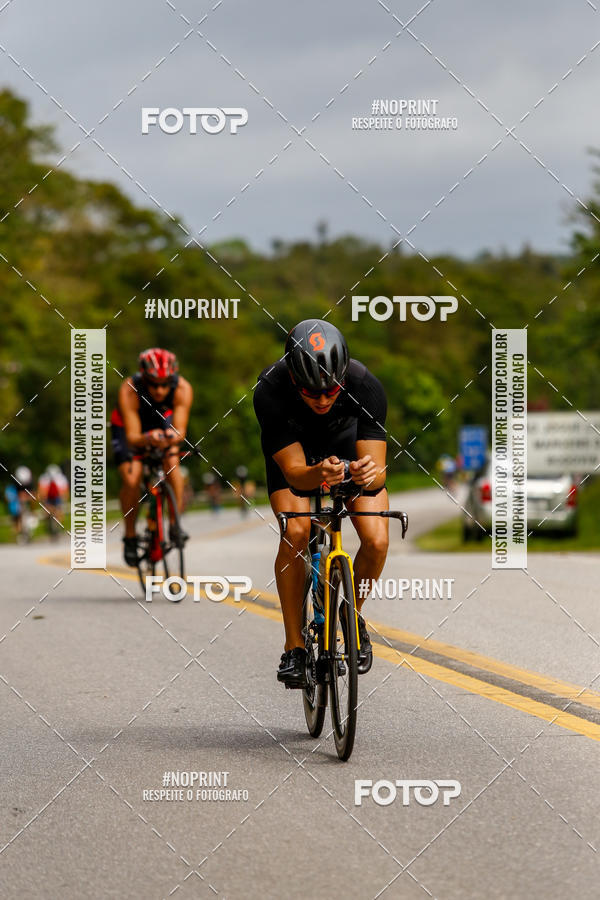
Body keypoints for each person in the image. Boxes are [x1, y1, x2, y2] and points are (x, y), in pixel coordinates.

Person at [253, 319, 389, 688]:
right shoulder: (271, 389)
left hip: (346, 449)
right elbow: (296, 474)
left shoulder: (365, 385)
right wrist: (320, 474)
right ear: (294, 380)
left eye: (331, 391)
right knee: (295, 531)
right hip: (295, 459)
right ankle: (294, 646)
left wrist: (363, 474)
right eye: (312, 393)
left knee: (376, 539)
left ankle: (351, 615)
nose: (324, 400)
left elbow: (378, 476)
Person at [110, 349, 193, 566]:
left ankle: (175, 525)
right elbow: (133, 437)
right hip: (130, 428)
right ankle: (129, 536)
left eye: (165, 383)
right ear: (144, 378)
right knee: (131, 478)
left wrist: (168, 438)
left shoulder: (183, 388)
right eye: (154, 384)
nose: (160, 389)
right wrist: (148, 437)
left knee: (172, 462)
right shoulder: (130, 389)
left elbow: (180, 431)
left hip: (160, 423)